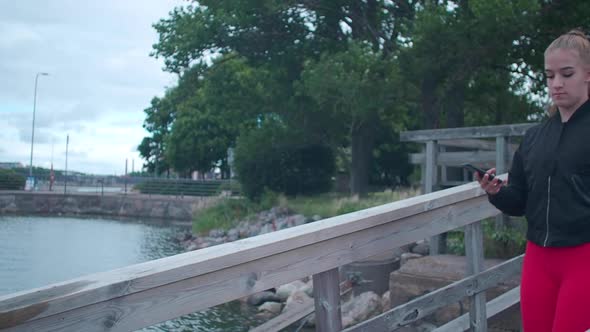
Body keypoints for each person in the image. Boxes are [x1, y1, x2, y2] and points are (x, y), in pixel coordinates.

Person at [476, 29, 590, 332]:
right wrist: (496, 192)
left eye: (567, 74)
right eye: (550, 75)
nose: (556, 84)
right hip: (538, 258)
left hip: (583, 258)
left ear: (588, 74)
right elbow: (520, 202)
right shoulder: (535, 137)